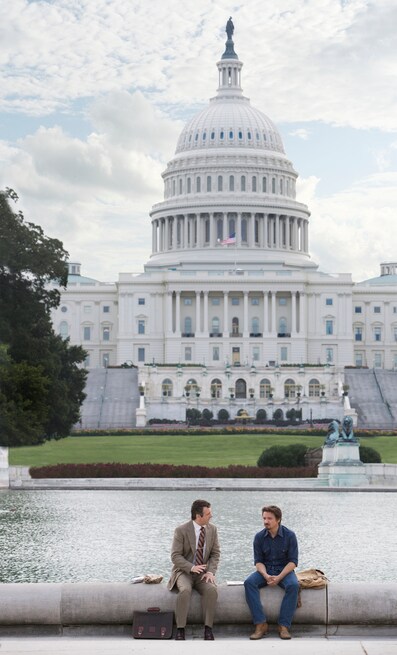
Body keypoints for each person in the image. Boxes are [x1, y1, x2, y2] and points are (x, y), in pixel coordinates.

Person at [244, 505, 299, 640]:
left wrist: (279, 577)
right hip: (266, 569)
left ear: (278, 519)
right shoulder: (259, 537)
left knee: (293, 586)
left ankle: (284, 626)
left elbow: (293, 562)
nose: (266, 521)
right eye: (264, 518)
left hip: (284, 570)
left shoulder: (290, 535)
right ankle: (260, 624)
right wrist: (266, 575)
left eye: (269, 518)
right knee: (249, 583)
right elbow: (258, 562)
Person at [168, 499, 220, 641]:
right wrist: (191, 567)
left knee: (212, 590)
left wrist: (210, 571)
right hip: (184, 571)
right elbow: (175, 556)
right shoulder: (181, 530)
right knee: (185, 591)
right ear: (198, 516)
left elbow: (215, 554)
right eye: (208, 514)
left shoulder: (212, 529)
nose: (211, 516)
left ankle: (208, 629)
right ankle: (180, 629)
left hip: (203, 573)